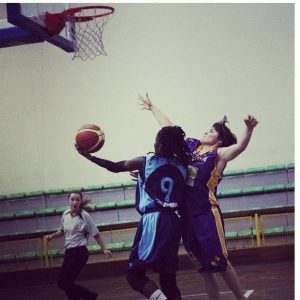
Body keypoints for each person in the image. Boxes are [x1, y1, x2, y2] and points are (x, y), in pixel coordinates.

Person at [139, 93, 258, 300]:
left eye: (211, 130)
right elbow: (169, 129)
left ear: (219, 140)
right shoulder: (191, 147)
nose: (206, 131)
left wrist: (248, 129)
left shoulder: (218, 155)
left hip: (206, 214)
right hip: (185, 216)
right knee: (205, 269)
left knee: (220, 262)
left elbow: (238, 148)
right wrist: (152, 107)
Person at [76, 126, 191, 300]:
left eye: (156, 139)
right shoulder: (183, 166)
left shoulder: (146, 161)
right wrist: (142, 178)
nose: (154, 142)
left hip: (154, 220)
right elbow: (166, 182)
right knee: (168, 279)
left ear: (160, 144)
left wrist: (90, 157)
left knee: (134, 275)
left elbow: (115, 167)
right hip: (173, 222)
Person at [46, 192, 112, 300]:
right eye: (72, 199)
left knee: (64, 283)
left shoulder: (84, 215)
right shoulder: (65, 214)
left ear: (80, 202)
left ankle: (91, 296)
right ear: (68, 201)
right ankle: (90, 297)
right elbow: (62, 231)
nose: (75, 202)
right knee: (64, 283)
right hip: (69, 252)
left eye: (77, 200)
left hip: (80, 253)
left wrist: (104, 249)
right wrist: (51, 236)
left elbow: (95, 234)